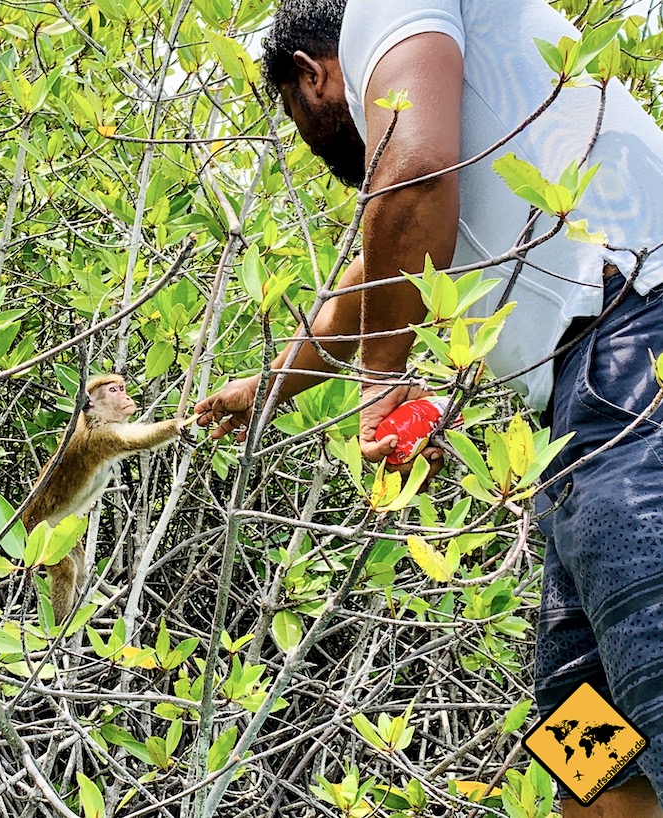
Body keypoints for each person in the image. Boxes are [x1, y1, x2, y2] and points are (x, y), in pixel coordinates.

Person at [194, 1, 663, 815]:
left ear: (314, 75)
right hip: (582, 420)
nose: (318, 151)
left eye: (304, 124)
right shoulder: (461, 76)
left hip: (637, 352)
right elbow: (366, 286)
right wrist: (267, 389)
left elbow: (412, 174)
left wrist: (384, 375)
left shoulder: (388, 10)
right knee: (589, 750)